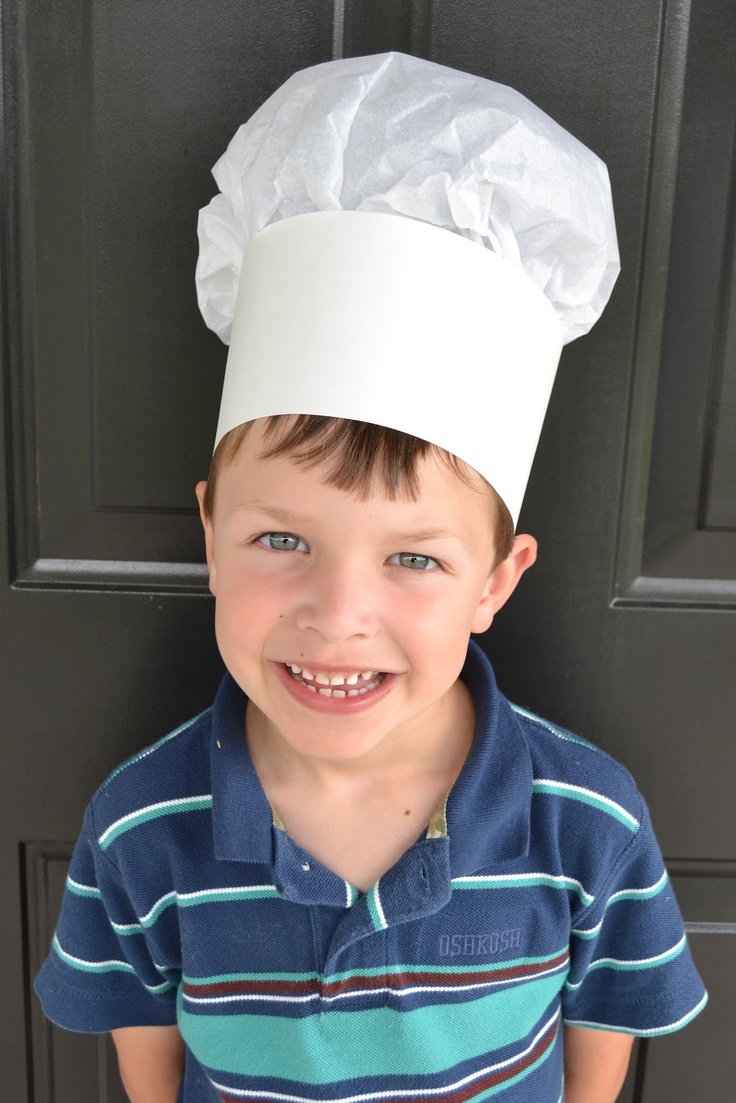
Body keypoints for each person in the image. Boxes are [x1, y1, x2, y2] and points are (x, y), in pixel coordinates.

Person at [35, 53, 706, 1103]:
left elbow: (606, 1013)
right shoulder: (139, 824)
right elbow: (139, 1030)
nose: (337, 614)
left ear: (496, 578)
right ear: (209, 532)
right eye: (282, 540)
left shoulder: (586, 819)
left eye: (412, 557)